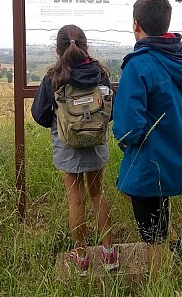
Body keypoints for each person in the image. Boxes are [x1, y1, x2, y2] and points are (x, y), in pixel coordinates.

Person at [112, 0, 182, 275]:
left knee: (151, 234)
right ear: (166, 24)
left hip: (152, 164)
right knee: (156, 214)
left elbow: (128, 128)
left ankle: (159, 288)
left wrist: (126, 141)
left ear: (135, 24)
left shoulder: (139, 65)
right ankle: (181, 251)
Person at [31, 24, 119, 276]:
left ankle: (81, 258)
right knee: (97, 195)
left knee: (75, 200)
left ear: (57, 49)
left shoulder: (53, 78)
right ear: (85, 45)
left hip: (66, 145)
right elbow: (109, 109)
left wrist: (63, 122)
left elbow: (39, 114)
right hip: (96, 144)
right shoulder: (100, 73)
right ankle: (109, 253)